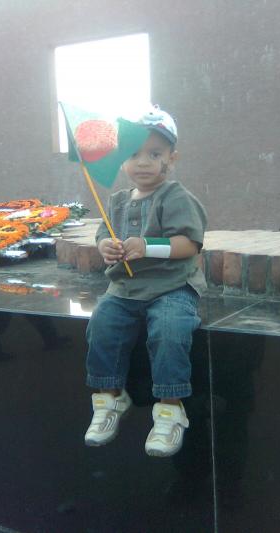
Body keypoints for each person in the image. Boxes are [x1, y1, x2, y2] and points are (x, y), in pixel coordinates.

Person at [84, 105, 207, 457]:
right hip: (125, 288)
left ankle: (170, 409)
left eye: (155, 154)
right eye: (134, 154)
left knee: (169, 329)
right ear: (122, 160)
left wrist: (147, 246)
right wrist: (105, 246)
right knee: (102, 323)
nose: (143, 162)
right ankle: (109, 397)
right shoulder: (117, 201)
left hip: (171, 286)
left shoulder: (175, 197)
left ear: (172, 158)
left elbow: (189, 244)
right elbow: (102, 234)